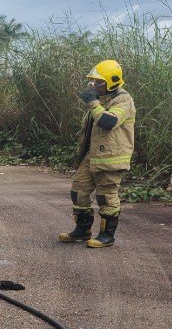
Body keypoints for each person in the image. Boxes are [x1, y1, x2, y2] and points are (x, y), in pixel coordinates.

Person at [58, 59, 136, 248]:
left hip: (110, 158)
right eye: (92, 81)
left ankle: (107, 236)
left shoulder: (123, 100)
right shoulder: (101, 100)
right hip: (91, 156)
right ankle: (82, 230)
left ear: (112, 82)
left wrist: (93, 103)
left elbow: (108, 122)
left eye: (99, 82)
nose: (94, 85)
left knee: (106, 196)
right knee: (79, 192)